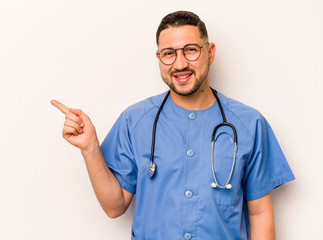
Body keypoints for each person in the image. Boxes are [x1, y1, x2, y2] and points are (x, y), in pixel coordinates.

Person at [51, 11, 294, 240]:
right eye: (169, 53)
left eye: (190, 50)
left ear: (210, 52)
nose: (179, 64)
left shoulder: (249, 124)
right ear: (159, 58)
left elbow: (259, 214)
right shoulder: (134, 121)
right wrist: (90, 147)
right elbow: (114, 207)